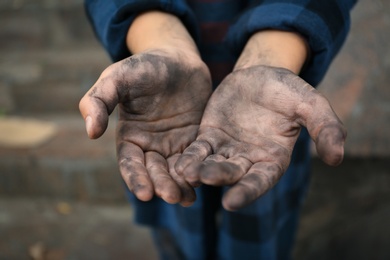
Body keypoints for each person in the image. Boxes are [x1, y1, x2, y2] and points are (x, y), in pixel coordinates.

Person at [79, 1, 356, 259]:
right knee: (176, 219)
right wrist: (159, 37)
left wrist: (274, 53)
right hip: (160, 116)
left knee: (260, 233)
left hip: (270, 121)